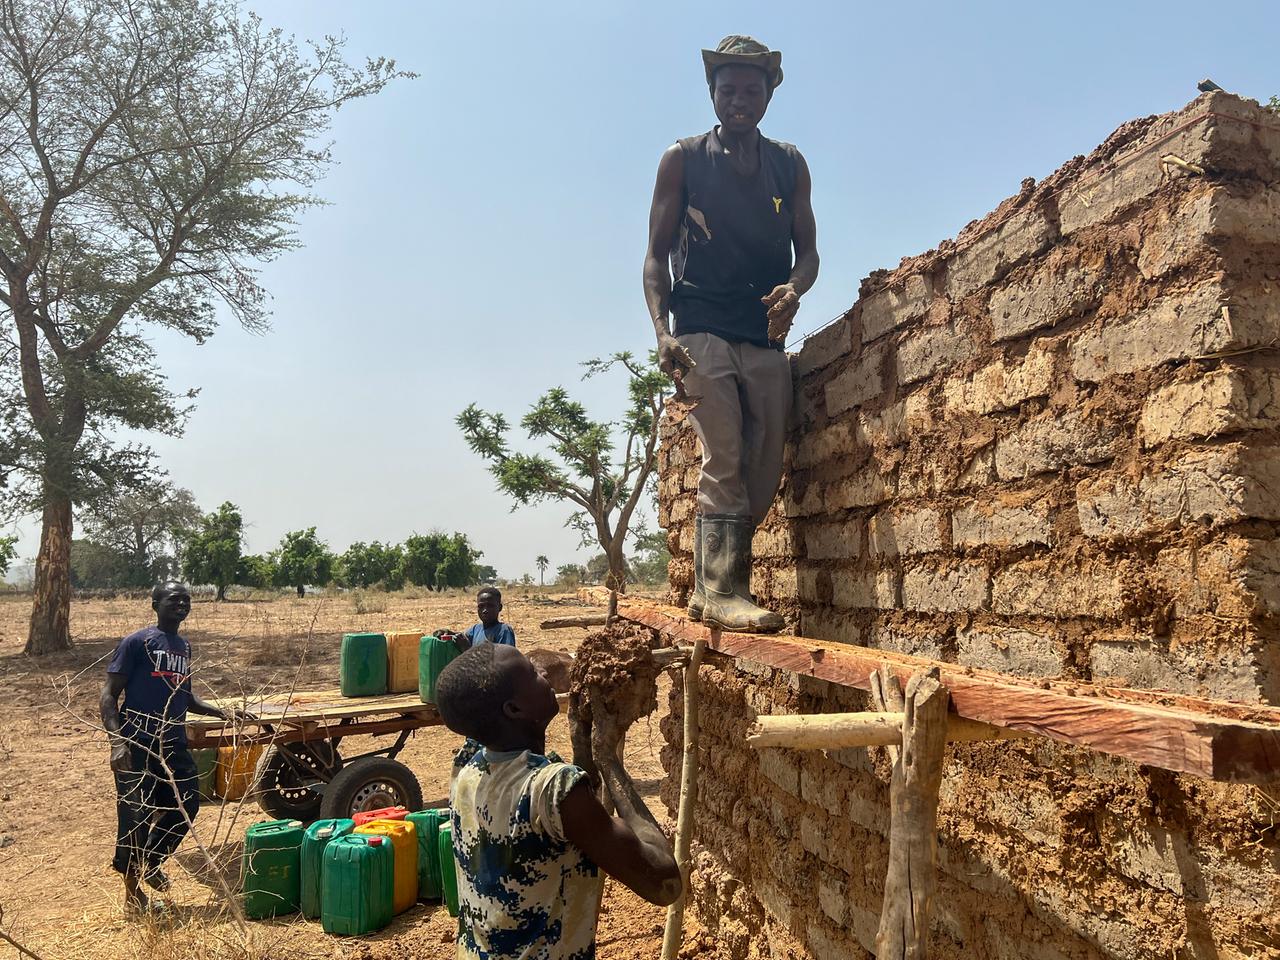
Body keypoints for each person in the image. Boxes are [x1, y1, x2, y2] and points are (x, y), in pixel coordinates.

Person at [643, 35, 819, 633]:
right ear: (712, 95)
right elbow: (654, 257)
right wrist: (661, 331)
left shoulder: (789, 164)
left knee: (765, 461)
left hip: (763, 335)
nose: (740, 101)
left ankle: (720, 582)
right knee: (725, 453)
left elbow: (810, 255)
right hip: (700, 330)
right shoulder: (684, 159)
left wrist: (793, 290)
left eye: (752, 90)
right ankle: (718, 589)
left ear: (769, 94)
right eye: (729, 91)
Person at [435, 644, 680, 958]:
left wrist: (581, 739)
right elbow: (664, 881)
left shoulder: (467, 767)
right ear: (513, 710)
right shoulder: (553, 789)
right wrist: (607, 759)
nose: (543, 674)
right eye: (531, 673)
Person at [100, 581, 240, 915]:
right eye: (174, 599)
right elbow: (108, 694)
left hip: (173, 739)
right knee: (136, 816)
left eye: (186, 600)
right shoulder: (137, 642)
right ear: (155, 604)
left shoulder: (183, 647)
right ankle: (133, 898)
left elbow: (186, 698)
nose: (181, 604)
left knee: (186, 803)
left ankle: (152, 860)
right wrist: (117, 743)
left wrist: (222, 712)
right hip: (137, 739)